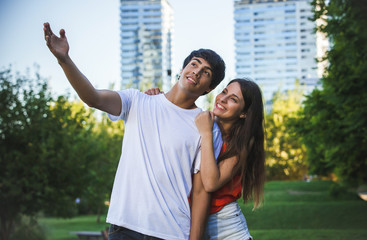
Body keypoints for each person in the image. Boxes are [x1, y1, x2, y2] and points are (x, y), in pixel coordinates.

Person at [43, 22, 226, 240]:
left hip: (172, 232)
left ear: (209, 88)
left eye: (206, 72)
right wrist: (64, 60)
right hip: (124, 227)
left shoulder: (206, 125)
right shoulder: (138, 101)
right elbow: (92, 98)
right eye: (194, 64)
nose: (197, 72)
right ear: (182, 68)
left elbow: (200, 191)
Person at [195, 78, 266, 239]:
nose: (223, 99)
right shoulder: (203, 123)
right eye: (224, 92)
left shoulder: (241, 144)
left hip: (226, 227)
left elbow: (211, 183)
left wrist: (206, 134)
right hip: (193, 222)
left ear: (244, 113)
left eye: (233, 99)